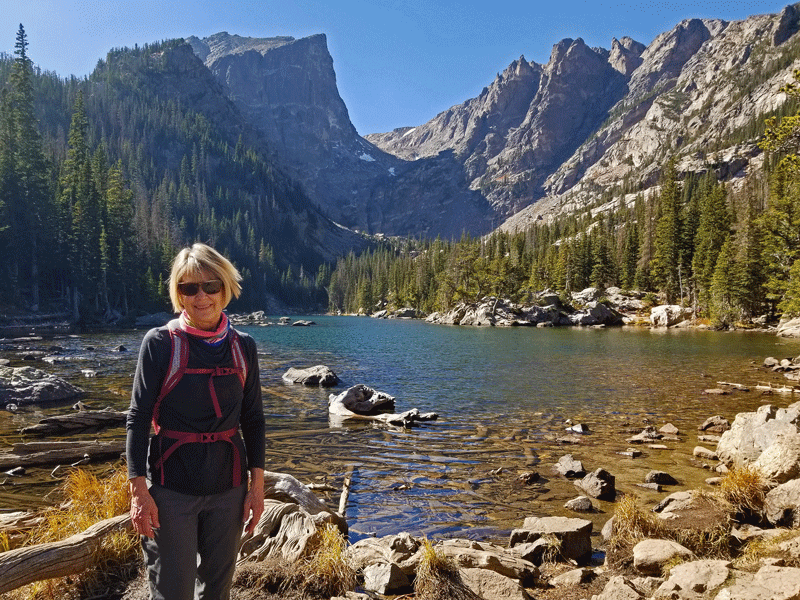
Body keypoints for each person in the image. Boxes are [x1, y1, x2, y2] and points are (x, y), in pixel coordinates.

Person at [126, 243, 265, 600]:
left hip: (229, 487)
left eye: (210, 286)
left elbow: (253, 419)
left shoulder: (243, 346)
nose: (201, 296)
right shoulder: (160, 343)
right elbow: (138, 419)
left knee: (218, 592)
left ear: (226, 289)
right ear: (179, 294)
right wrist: (139, 492)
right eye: (189, 288)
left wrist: (256, 487)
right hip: (171, 490)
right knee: (172, 592)